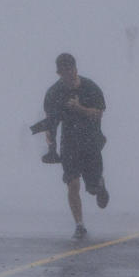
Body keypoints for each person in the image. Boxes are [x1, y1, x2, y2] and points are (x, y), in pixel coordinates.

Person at [33, 53, 109, 239]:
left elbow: (98, 114)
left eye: (70, 70)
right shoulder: (54, 92)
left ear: (76, 69)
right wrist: (50, 139)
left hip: (91, 141)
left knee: (91, 188)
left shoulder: (90, 87)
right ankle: (79, 224)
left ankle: (99, 185)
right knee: (72, 183)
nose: (68, 74)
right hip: (69, 143)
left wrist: (79, 108)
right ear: (59, 72)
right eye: (63, 71)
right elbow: (51, 120)